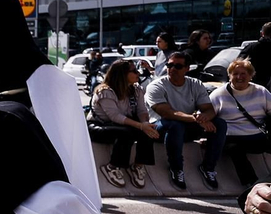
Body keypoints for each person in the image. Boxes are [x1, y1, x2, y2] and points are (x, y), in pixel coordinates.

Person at [146, 50, 227, 190]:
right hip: (160, 128)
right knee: (175, 125)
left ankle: (208, 168)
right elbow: (166, 113)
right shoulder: (156, 85)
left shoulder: (195, 84)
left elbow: (209, 109)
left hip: (187, 125)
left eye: (177, 66)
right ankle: (176, 169)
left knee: (220, 124)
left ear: (187, 69)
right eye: (169, 65)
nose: (172, 69)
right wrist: (196, 119)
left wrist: (205, 117)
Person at [89, 57, 158, 188]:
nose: (138, 73)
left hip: (122, 125)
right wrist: (140, 126)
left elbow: (142, 110)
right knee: (126, 134)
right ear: (122, 74)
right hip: (100, 125)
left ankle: (138, 166)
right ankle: (112, 167)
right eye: (134, 71)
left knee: (148, 132)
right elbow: (115, 116)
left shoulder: (136, 89)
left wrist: (145, 124)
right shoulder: (105, 91)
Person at [210, 58, 270, 185]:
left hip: (256, 135)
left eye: (243, 74)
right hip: (232, 137)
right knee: (235, 150)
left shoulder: (261, 91)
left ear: (251, 76)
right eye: (235, 74)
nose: (239, 77)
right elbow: (206, 114)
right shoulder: (218, 94)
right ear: (229, 76)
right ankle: (252, 184)